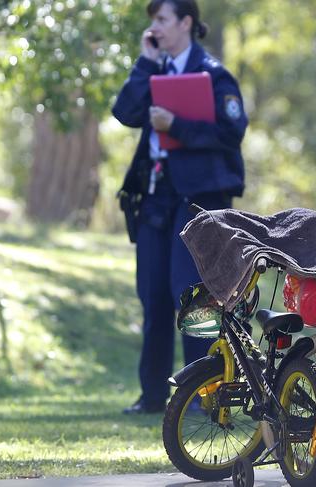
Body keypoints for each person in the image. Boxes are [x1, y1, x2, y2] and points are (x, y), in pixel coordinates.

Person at [112, 0, 247, 414]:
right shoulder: (154, 70)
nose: (156, 27)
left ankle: (202, 394)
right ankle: (152, 395)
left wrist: (177, 127)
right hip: (155, 199)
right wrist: (145, 60)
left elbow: (232, 131)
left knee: (191, 297)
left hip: (197, 201)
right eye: (153, 21)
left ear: (186, 22)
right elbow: (125, 112)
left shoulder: (213, 74)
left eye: (163, 20)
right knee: (152, 296)